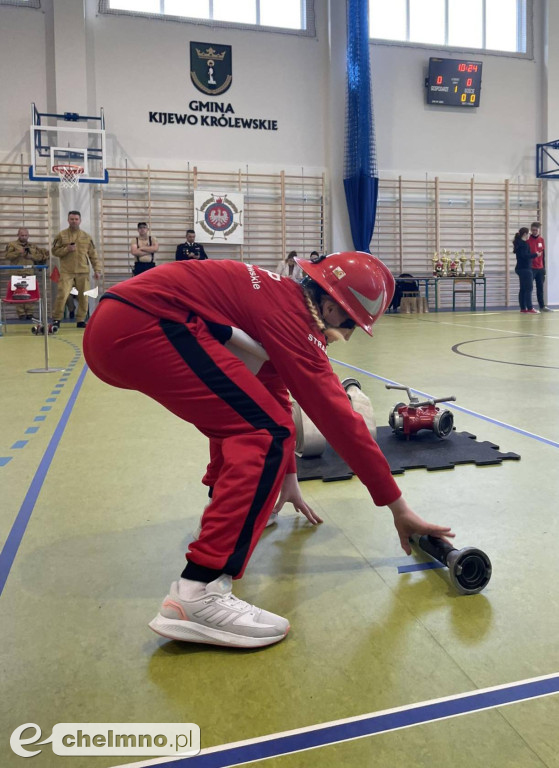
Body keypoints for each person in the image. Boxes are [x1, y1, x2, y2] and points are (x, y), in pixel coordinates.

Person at [83, 251, 454, 649]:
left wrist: (288, 477)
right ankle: (199, 591)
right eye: (349, 326)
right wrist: (398, 506)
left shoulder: (283, 299)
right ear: (329, 306)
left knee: (245, 420)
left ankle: (218, 524)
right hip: (143, 325)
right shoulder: (293, 320)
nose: (345, 338)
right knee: (264, 433)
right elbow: (340, 421)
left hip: (120, 325)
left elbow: (268, 389)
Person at [51, 211, 101, 329]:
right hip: (66, 271)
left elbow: (93, 255)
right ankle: (57, 319)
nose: (74, 221)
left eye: (76, 219)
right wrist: (66, 249)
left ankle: (81, 320)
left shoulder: (86, 237)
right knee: (62, 295)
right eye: (72, 219)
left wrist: (97, 270)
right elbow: (54, 251)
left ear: (80, 220)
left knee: (83, 297)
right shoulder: (61, 235)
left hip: (82, 271)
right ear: (68, 220)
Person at [4, 228, 48, 320]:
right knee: (18, 294)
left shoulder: (33, 246)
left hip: (29, 272)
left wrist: (31, 256)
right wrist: (18, 252)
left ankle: (30, 313)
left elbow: (41, 257)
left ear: (28, 235)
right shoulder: (12, 245)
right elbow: (7, 256)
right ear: (18, 235)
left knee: (30, 292)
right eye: (22, 235)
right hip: (16, 272)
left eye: (25, 235)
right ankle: (21, 314)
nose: (24, 237)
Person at [528, 222, 551, 312]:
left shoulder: (541, 240)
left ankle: (542, 306)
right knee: (529, 288)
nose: (534, 232)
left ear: (539, 230)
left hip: (540, 268)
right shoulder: (528, 240)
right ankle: (529, 307)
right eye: (533, 230)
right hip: (531, 268)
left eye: (536, 230)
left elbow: (543, 255)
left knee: (540, 288)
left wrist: (544, 268)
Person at [513, 228, 538, 314]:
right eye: (528, 233)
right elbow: (525, 256)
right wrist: (535, 254)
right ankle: (530, 307)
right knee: (529, 288)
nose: (529, 235)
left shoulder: (519, 243)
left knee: (523, 289)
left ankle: (523, 308)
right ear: (524, 234)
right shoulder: (523, 244)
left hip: (520, 268)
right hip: (525, 269)